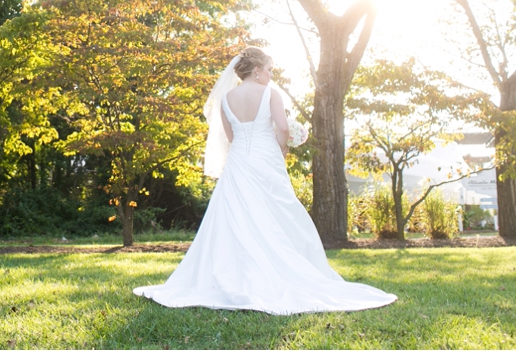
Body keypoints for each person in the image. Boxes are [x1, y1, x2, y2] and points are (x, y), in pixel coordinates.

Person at [133, 47, 396, 315]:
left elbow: (231, 138)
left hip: (238, 162)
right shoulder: (270, 94)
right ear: (257, 70)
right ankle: (277, 269)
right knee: (276, 212)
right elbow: (282, 128)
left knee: (235, 215)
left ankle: (232, 273)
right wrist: (282, 148)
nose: (271, 75)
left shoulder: (225, 99)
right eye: (269, 69)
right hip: (265, 158)